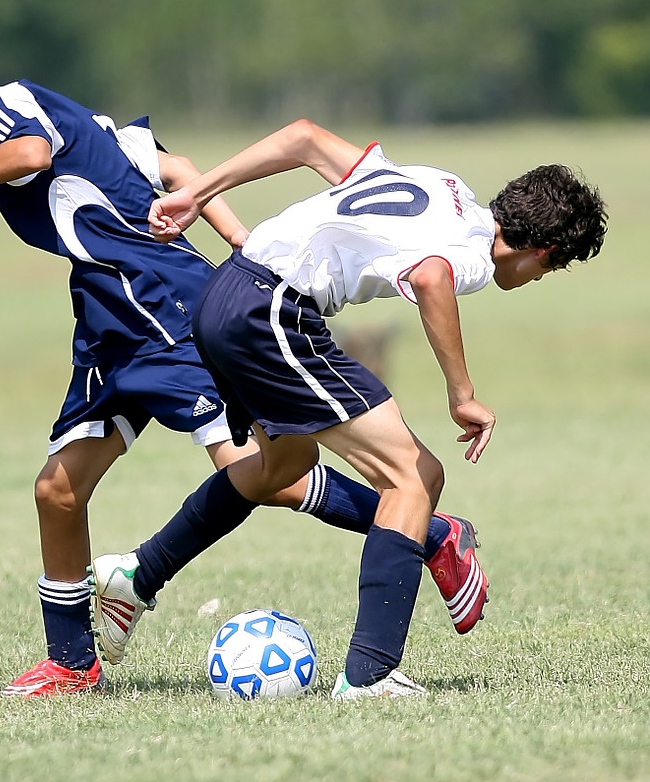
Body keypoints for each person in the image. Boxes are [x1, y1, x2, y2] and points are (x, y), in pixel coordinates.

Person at [0, 79, 490, 698]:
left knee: (269, 471)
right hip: (108, 320)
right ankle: (71, 661)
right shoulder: (74, 129)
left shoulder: (13, 107)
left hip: (166, 307)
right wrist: (238, 240)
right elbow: (171, 166)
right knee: (57, 491)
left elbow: (32, 155)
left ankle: (434, 534)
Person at [90, 123, 607, 700]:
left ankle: (137, 573)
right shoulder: (477, 255)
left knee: (283, 464)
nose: (534, 278)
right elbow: (431, 276)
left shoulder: (441, 185)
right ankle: (370, 674)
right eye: (547, 270)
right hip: (271, 311)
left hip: (225, 294)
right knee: (414, 476)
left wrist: (199, 191)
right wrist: (462, 394)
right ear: (545, 251)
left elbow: (306, 138)